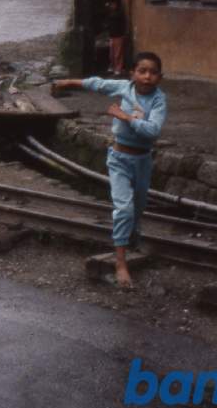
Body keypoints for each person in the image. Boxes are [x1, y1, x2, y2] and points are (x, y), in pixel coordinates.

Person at [51, 52, 168, 289]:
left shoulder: (159, 100)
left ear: (160, 77)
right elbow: (98, 84)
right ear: (132, 73)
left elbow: (153, 131)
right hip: (119, 158)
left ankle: (130, 241)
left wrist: (124, 117)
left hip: (143, 160)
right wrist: (68, 82)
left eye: (153, 72)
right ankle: (120, 264)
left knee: (137, 208)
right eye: (142, 71)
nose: (147, 77)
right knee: (123, 209)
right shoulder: (124, 87)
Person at [104, 0, 128, 75]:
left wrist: (123, 33)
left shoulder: (119, 13)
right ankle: (112, 67)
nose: (112, 6)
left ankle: (118, 68)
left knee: (118, 54)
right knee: (111, 54)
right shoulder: (110, 13)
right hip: (112, 35)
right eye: (111, 4)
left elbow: (121, 22)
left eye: (113, 4)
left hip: (118, 35)